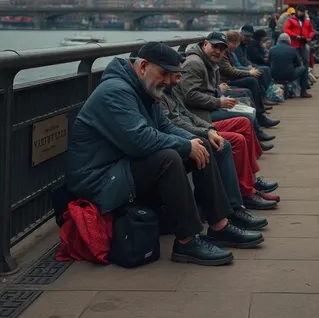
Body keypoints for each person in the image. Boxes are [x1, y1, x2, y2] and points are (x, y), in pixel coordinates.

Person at [66, 41, 263, 267]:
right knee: (168, 159)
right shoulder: (116, 92)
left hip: (120, 167)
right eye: (164, 73)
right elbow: (140, 140)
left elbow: (165, 127)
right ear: (143, 67)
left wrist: (201, 137)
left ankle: (220, 225)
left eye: (172, 75)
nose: (168, 81)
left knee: (200, 144)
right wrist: (186, 146)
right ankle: (187, 242)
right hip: (98, 179)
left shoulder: (142, 88)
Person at [161, 72, 279, 212]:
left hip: (200, 122)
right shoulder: (193, 65)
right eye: (175, 73)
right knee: (234, 139)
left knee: (244, 122)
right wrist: (217, 104)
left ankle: (251, 184)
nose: (178, 78)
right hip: (204, 115)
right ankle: (241, 199)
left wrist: (209, 128)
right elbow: (188, 101)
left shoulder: (170, 88)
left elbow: (187, 113)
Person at [177, 32, 277, 157]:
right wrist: (219, 102)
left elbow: (205, 88)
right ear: (205, 44)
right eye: (215, 47)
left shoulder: (208, 61)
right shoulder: (195, 63)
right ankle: (256, 147)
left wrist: (219, 91)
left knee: (247, 107)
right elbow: (190, 96)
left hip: (208, 106)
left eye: (222, 49)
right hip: (200, 112)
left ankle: (255, 148)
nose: (218, 51)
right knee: (247, 117)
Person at [218, 30, 278, 138]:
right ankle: (259, 118)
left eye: (237, 43)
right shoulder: (224, 52)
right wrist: (248, 72)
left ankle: (260, 115)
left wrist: (249, 70)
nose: (236, 46)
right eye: (234, 43)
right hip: (227, 81)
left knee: (252, 81)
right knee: (251, 81)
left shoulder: (228, 52)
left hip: (228, 80)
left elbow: (235, 67)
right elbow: (229, 70)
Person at [269, 33, 312, 98]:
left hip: (274, 74)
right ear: (289, 41)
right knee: (304, 68)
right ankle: (303, 91)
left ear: (278, 41)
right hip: (289, 75)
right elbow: (298, 64)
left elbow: (269, 62)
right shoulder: (293, 49)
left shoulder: (272, 49)